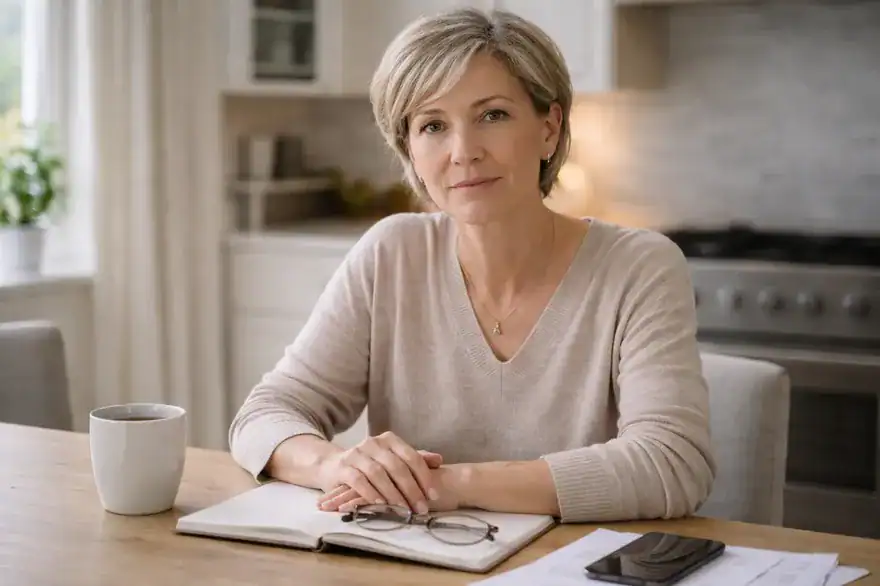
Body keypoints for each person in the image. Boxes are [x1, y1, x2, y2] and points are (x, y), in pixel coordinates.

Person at [228, 7, 716, 524]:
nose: (463, 152)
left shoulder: (639, 267)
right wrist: (337, 465)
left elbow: (673, 464)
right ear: (410, 151)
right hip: (414, 558)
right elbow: (264, 415)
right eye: (433, 125)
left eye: (493, 115)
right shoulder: (391, 254)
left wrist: (452, 484)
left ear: (549, 128)